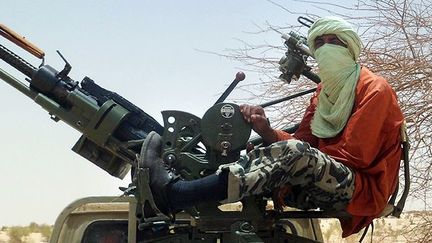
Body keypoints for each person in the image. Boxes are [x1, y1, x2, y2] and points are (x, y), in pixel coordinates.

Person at [141, 16, 404, 237]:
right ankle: (186, 191)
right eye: (320, 43)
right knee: (265, 154)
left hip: (361, 190)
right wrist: (265, 131)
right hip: (322, 183)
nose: (326, 48)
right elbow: (305, 140)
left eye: (334, 41)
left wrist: (281, 163)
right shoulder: (324, 92)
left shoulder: (375, 90)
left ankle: (178, 194)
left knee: (291, 155)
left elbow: (351, 157)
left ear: (350, 49)